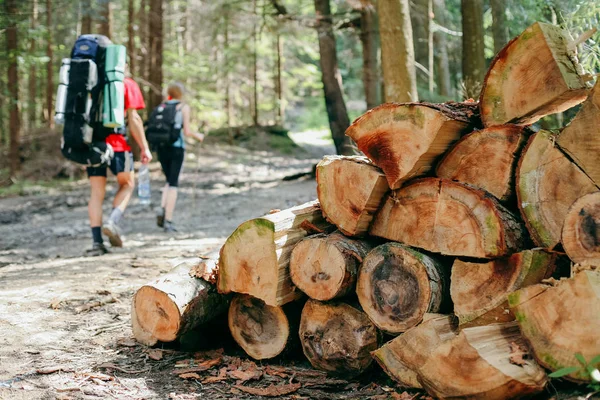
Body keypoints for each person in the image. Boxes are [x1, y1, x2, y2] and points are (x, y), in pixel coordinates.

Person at [86, 67, 152, 256]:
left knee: (96, 192)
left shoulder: (90, 84)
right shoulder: (127, 84)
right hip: (117, 145)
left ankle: (97, 242)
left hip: (93, 147)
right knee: (127, 184)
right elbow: (134, 118)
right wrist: (144, 147)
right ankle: (112, 221)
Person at [156, 82, 205, 232]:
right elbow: (187, 131)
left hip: (161, 147)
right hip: (176, 148)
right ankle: (168, 220)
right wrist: (199, 136)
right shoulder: (183, 107)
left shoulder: (162, 106)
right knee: (173, 184)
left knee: (168, 180)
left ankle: (162, 209)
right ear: (181, 93)